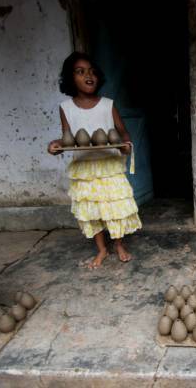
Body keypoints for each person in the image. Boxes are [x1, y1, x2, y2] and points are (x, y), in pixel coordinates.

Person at [47, 52, 141, 268]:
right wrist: (55, 146)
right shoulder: (66, 108)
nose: (88, 75)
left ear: (98, 77)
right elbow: (68, 138)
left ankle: (118, 244)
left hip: (109, 167)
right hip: (85, 169)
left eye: (91, 72)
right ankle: (102, 249)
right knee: (92, 211)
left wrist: (126, 144)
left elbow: (122, 132)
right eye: (80, 72)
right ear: (71, 79)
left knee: (114, 208)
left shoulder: (107, 104)